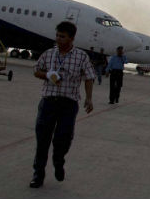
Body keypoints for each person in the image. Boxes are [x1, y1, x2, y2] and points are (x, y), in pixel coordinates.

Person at [30, 21, 95, 188]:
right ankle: (38, 174)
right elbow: (36, 70)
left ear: (71, 38)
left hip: (68, 104)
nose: (58, 39)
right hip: (48, 102)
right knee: (42, 139)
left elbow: (89, 77)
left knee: (63, 138)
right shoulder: (49, 54)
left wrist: (89, 98)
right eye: (57, 35)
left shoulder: (81, 56)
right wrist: (47, 75)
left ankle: (58, 161)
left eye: (63, 36)